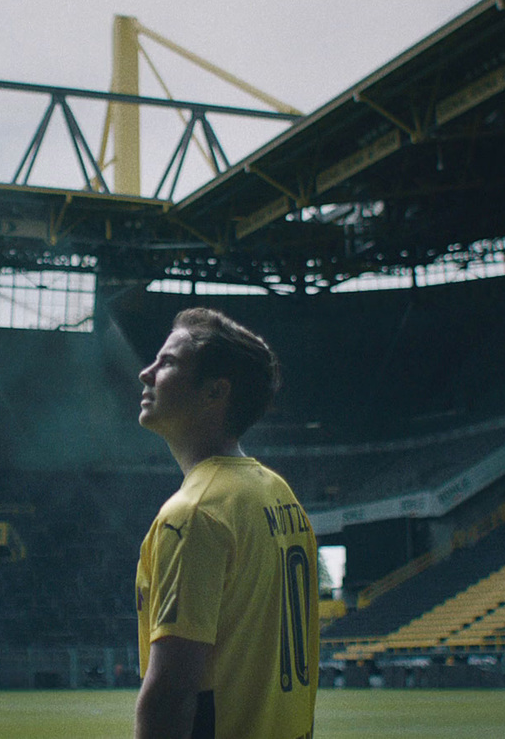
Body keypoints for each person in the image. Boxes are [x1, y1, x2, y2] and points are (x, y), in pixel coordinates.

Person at [134, 307, 318, 739]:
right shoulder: (279, 494)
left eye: (169, 363)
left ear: (215, 392)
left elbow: (172, 692)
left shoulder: (195, 513)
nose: (147, 373)